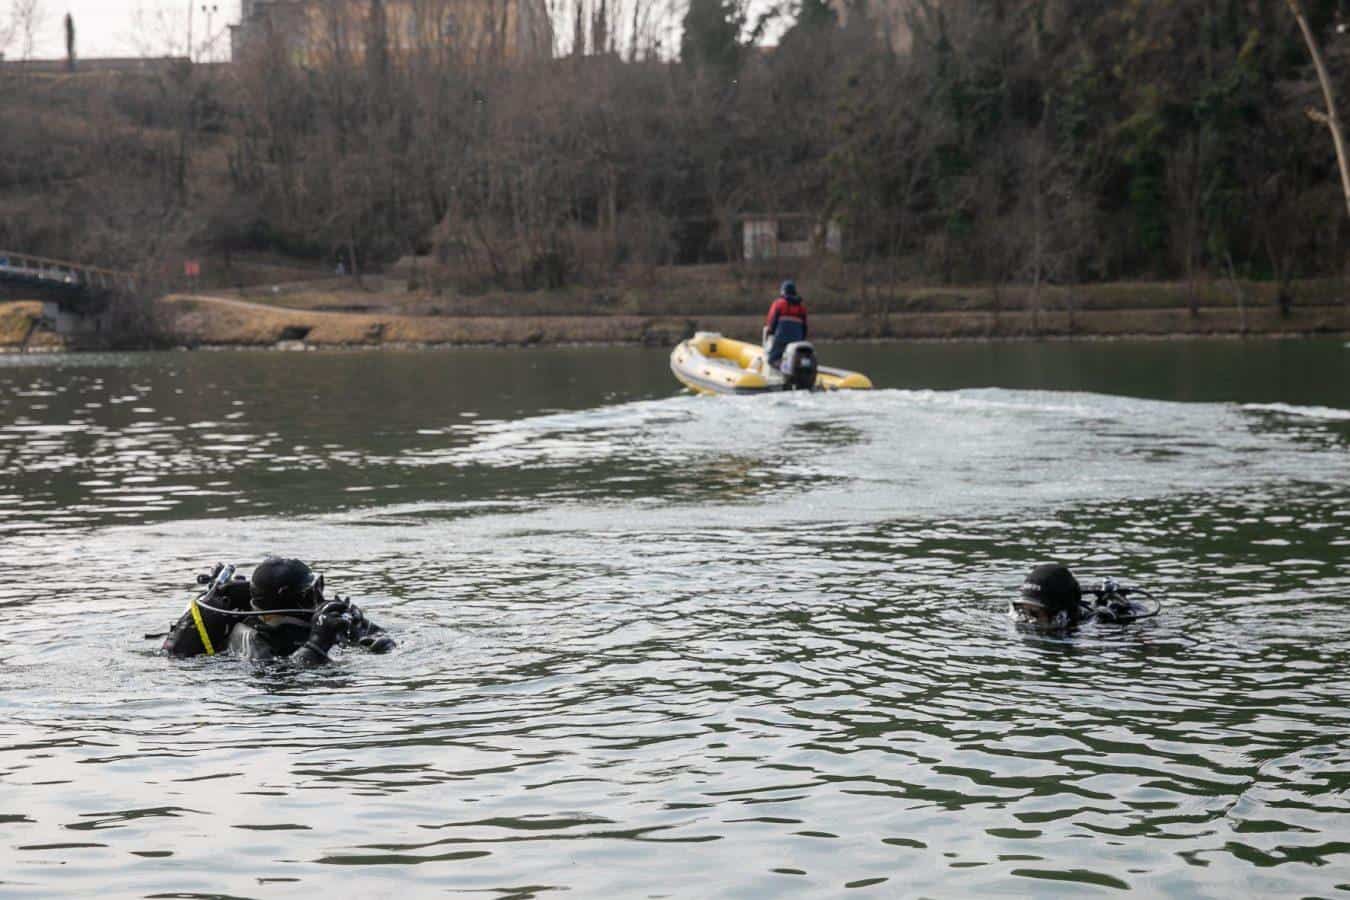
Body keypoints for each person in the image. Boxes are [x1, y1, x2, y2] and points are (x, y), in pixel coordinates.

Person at [161, 557, 395, 665]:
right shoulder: (254, 638)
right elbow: (281, 679)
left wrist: (364, 631)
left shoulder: (305, 624)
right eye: (311, 592)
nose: (318, 598)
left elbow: (383, 642)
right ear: (288, 596)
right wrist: (318, 642)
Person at [1011, 563, 1158, 629]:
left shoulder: (1098, 630)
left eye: (1034, 613)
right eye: (1022, 610)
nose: (1026, 620)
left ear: (1060, 614)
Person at [763, 280, 809, 368]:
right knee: (794, 358)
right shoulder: (801, 307)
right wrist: (801, 339)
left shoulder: (778, 304)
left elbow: (771, 322)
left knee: (772, 360)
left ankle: (783, 369)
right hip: (797, 340)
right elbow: (805, 327)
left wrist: (770, 332)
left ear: (783, 291)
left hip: (781, 338)